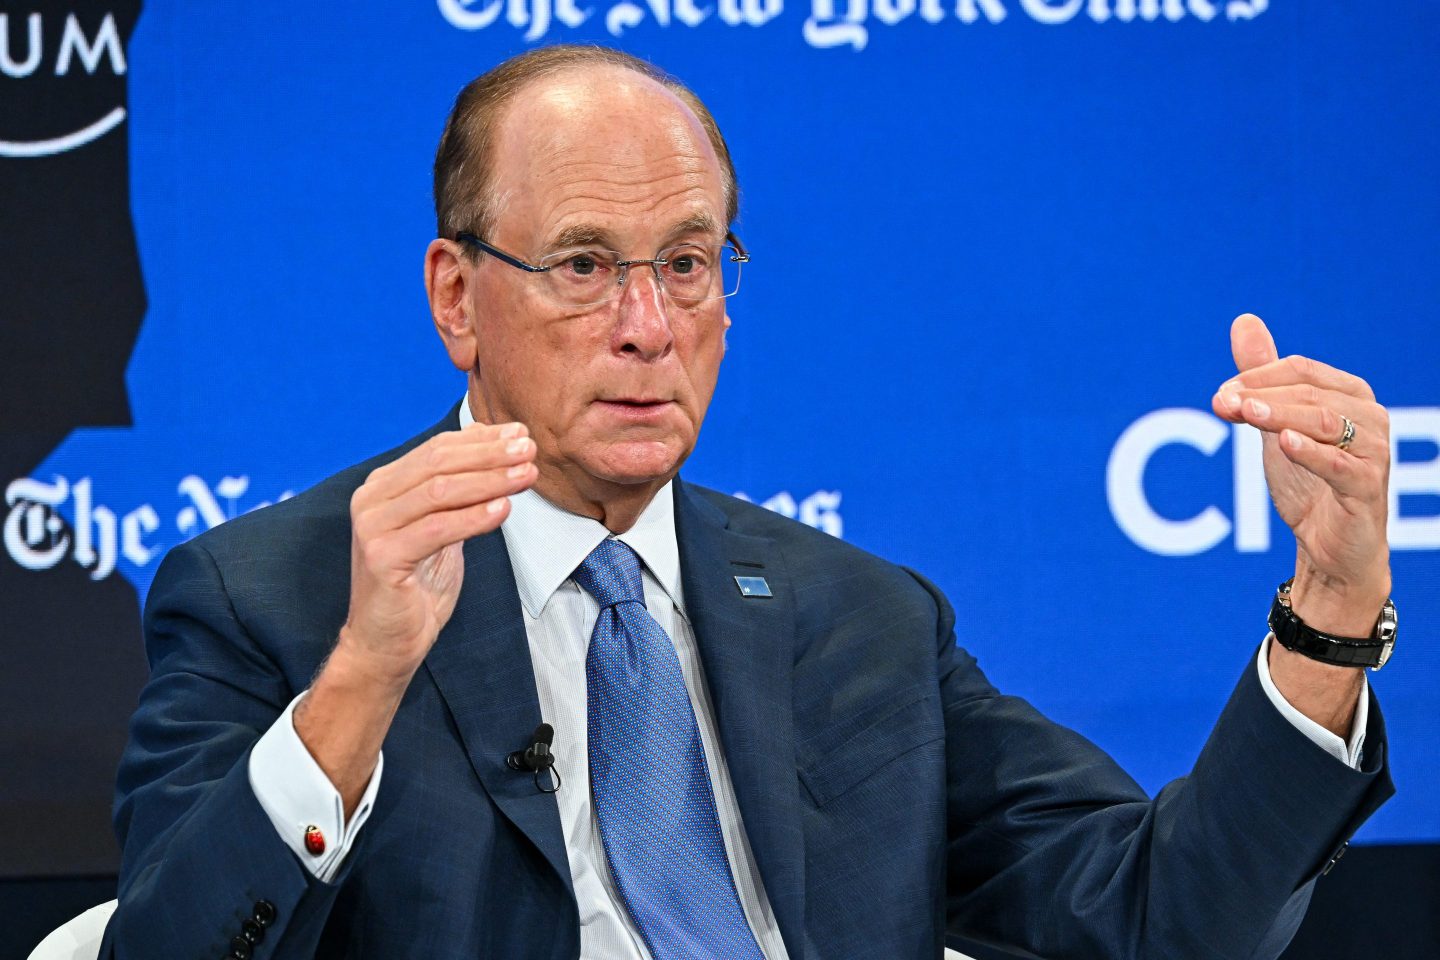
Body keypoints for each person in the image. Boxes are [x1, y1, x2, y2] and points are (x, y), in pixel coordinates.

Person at [101, 45, 1395, 960]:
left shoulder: (864, 620)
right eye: (585, 266)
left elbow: (1164, 918)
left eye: (687, 264)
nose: (648, 328)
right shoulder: (273, 600)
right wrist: (360, 685)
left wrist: (1331, 612)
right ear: (457, 298)